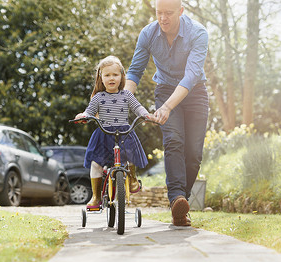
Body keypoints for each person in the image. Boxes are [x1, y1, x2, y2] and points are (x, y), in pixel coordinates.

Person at [125, 0, 209, 226]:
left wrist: (168, 107)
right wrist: (122, 101)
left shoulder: (198, 33)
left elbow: (191, 76)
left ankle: (182, 201)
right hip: (164, 90)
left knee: (193, 155)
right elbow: (134, 71)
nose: (163, 18)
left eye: (169, 13)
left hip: (195, 93)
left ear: (181, 11)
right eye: (159, 13)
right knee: (173, 141)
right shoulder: (148, 34)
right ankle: (177, 202)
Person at [75, 55, 153, 210]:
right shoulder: (98, 97)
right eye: (107, 75)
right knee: (96, 164)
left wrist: (146, 115)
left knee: (130, 156)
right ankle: (96, 197)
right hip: (104, 134)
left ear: (122, 77)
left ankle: (131, 179)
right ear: (101, 78)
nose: (111, 78)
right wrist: (83, 116)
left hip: (124, 132)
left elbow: (138, 107)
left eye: (115, 75)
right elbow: (89, 111)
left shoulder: (127, 95)